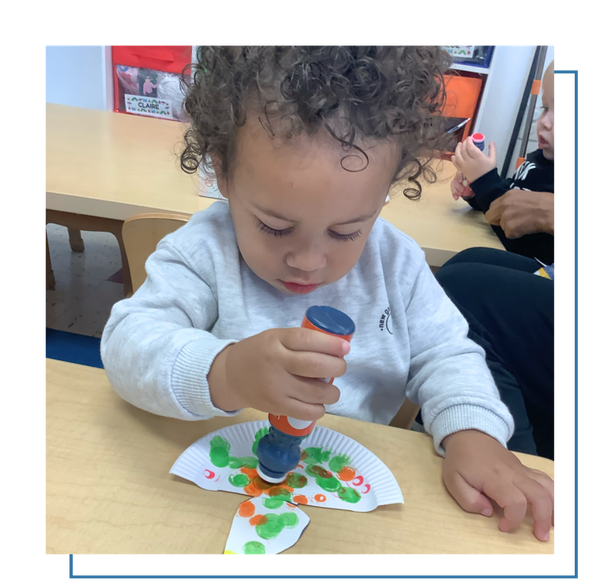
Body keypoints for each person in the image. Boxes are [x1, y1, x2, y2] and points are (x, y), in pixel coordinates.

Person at [101, 45, 555, 542]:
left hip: (343, 506)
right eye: (275, 227)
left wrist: (474, 433)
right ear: (223, 173)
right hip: (201, 495)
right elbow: (126, 343)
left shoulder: (396, 264)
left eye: (345, 232)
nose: (309, 261)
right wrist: (224, 371)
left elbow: (447, 353)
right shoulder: (205, 251)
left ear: (384, 192)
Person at [433, 60, 557, 460]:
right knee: (466, 263)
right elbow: (519, 234)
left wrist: (491, 186)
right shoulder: (543, 162)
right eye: (545, 110)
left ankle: (510, 456)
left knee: (461, 290)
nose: (546, 125)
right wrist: (482, 195)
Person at [450, 60, 556, 266]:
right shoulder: (543, 158)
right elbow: (512, 195)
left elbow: (516, 229)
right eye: (545, 108)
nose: (544, 121)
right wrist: (476, 192)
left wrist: (485, 182)